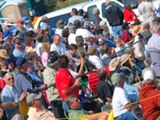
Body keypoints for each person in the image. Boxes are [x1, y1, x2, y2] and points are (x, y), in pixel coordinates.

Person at [43, 51, 65, 118]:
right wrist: (61, 77)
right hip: (55, 98)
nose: (59, 63)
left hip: (62, 97)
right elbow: (51, 82)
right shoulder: (47, 71)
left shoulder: (57, 69)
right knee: (60, 117)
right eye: (58, 62)